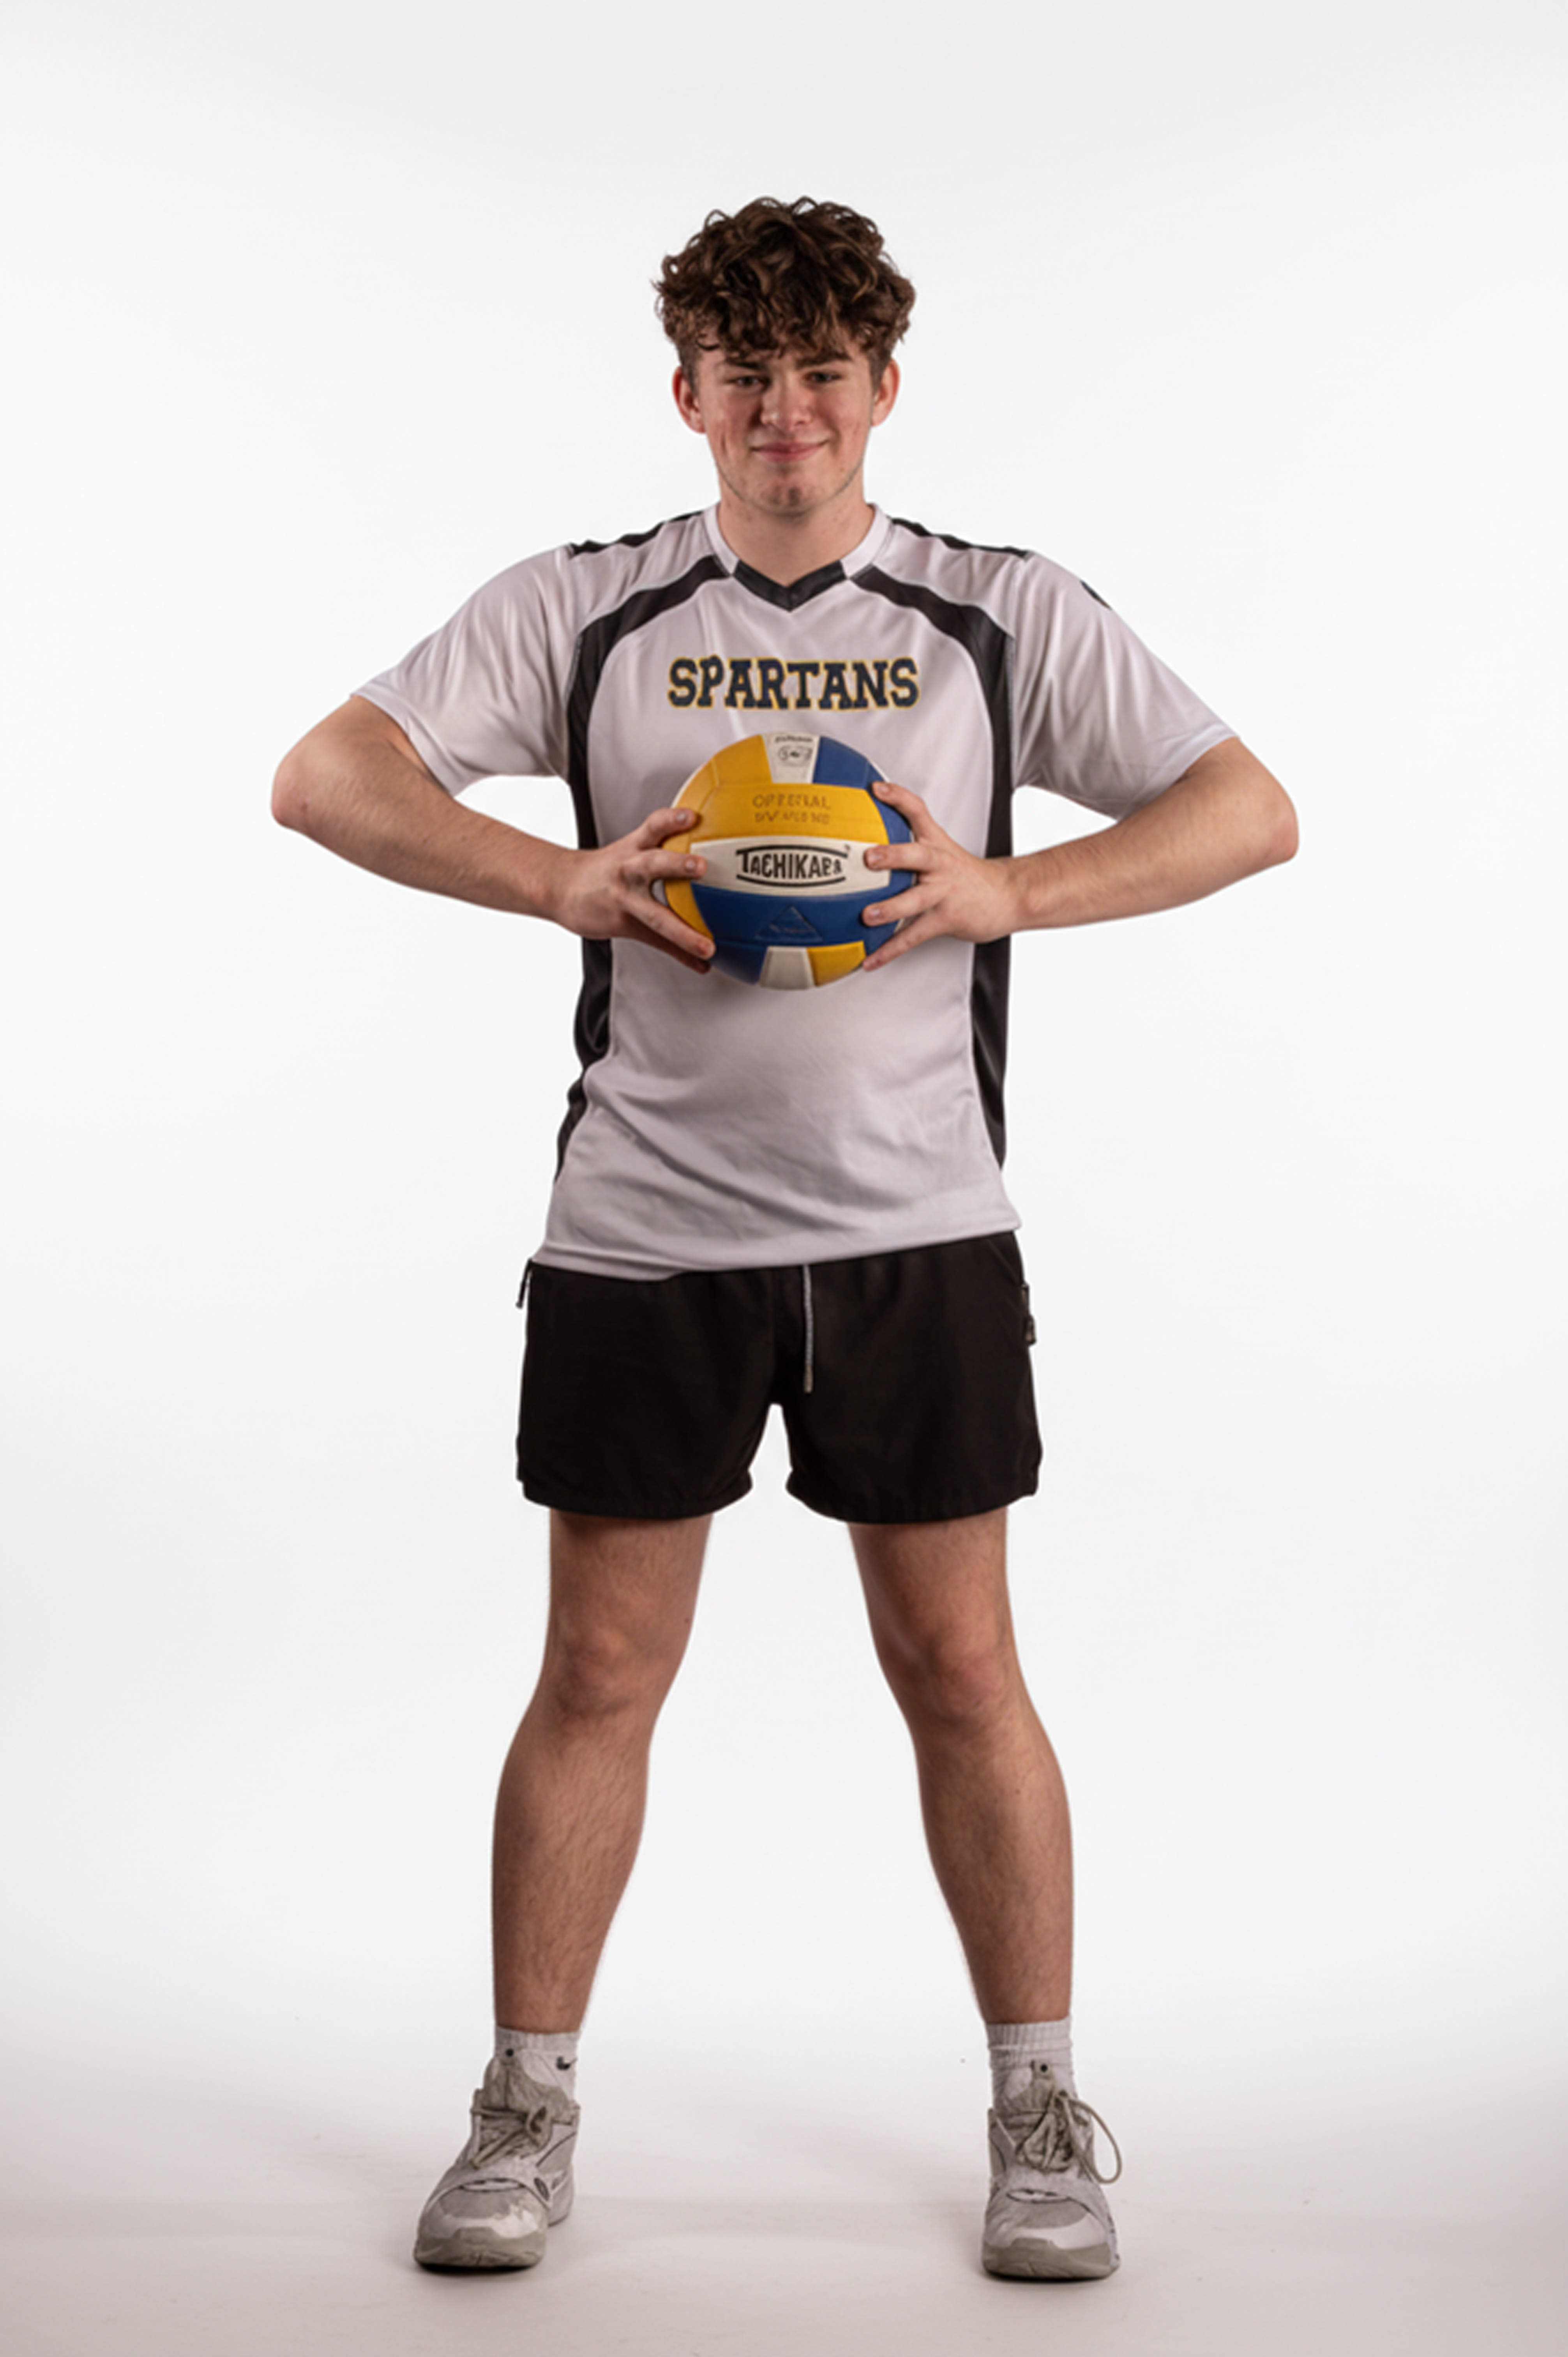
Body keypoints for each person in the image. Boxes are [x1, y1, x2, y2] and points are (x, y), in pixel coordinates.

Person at [272, 195, 1297, 2283]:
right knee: (599, 1670)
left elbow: (1245, 806)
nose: (788, 413)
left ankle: (1039, 2115)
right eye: (746, 375)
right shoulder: (589, 607)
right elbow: (325, 774)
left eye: (824, 372)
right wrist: (556, 879)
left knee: (961, 1667)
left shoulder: (995, 611)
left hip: (917, 1225)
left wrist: (1007, 892)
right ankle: (524, 2112)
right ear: (689, 395)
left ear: (883, 386)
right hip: (641, 1232)